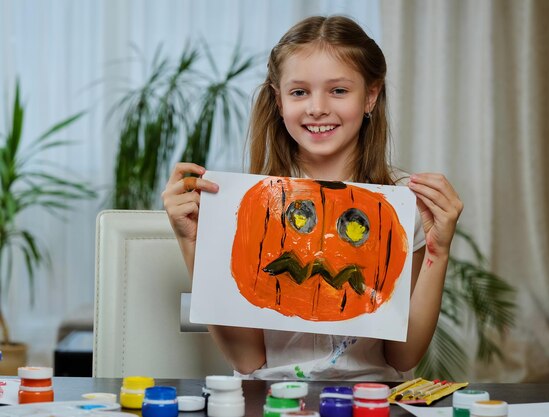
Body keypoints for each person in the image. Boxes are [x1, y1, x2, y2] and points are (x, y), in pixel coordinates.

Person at [162, 15, 463, 381]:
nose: (317, 107)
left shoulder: (404, 206)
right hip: (273, 398)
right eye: (299, 91)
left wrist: (438, 251)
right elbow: (248, 362)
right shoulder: (243, 206)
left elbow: (402, 356)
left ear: (370, 95)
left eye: (338, 90)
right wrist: (193, 242)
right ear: (278, 100)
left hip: (370, 398)